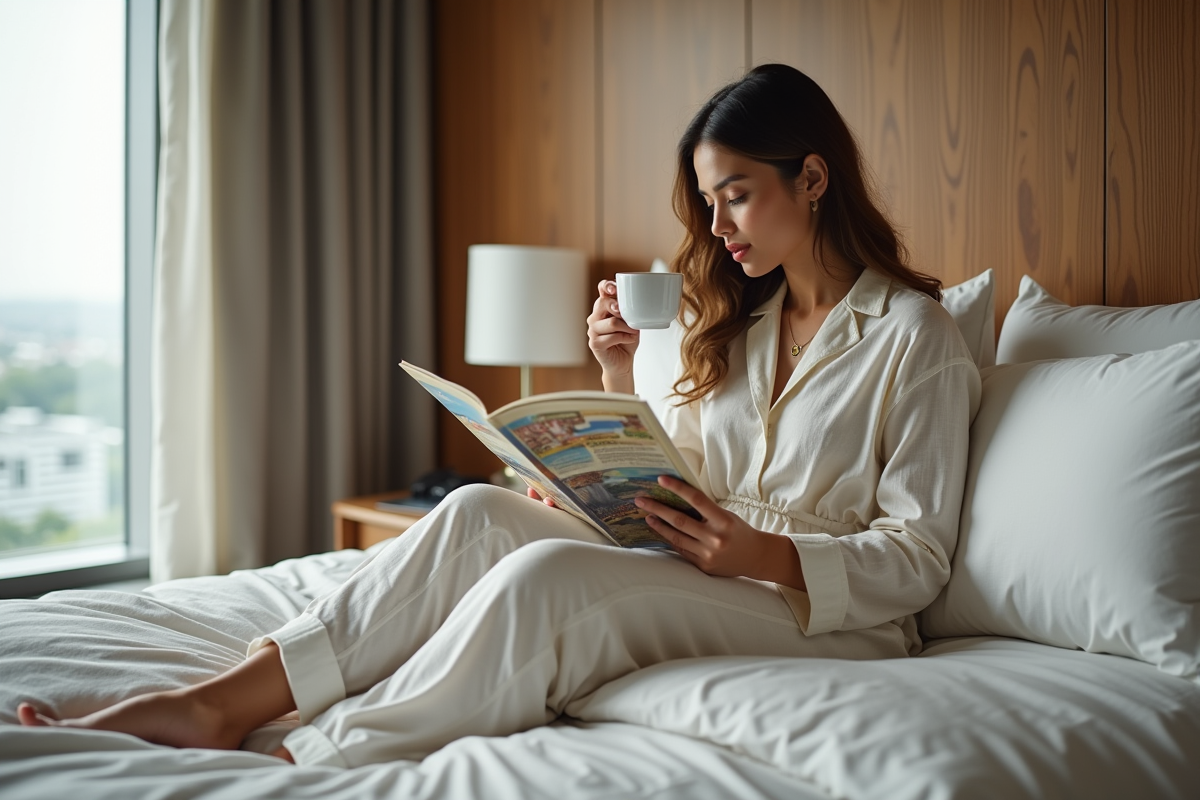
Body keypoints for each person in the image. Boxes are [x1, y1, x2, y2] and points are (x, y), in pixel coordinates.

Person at [17, 64, 980, 767]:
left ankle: (316, 753)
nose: (718, 227)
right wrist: (614, 387)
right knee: (477, 510)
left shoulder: (915, 336)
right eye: (708, 201)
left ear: (811, 178)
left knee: (551, 576)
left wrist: (763, 555)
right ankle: (219, 701)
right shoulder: (743, 321)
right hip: (711, 557)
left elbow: (919, 557)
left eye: (736, 196)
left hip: (823, 611)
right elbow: (687, 475)